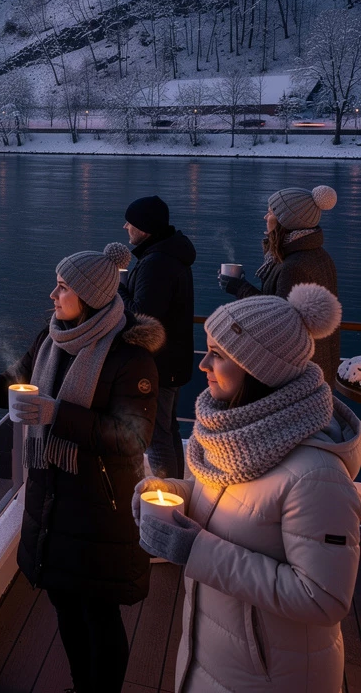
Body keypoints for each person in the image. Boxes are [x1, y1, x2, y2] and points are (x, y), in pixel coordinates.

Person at [0, 243, 161, 693]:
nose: (52, 296)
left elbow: (133, 437)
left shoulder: (130, 358)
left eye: (62, 288)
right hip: (52, 499)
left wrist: (58, 414)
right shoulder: (52, 338)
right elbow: (17, 386)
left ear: (91, 296)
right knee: (65, 603)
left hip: (101, 506)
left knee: (98, 611)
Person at [136, 284, 359, 693]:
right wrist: (172, 493)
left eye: (218, 354)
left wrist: (195, 551)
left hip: (273, 679)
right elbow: (232, 506)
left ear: (260, 370)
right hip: (212, 658)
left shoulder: (317, 474)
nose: (203, 364)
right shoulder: (232, 436)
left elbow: (325, 598)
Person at [219, 184, 339, 386]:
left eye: (271, 211)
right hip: (318, 365)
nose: (266, 217)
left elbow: (279, 323)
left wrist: (240, 288)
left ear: (286, 221)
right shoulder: (316, 255)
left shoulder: (294, 266)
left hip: (298, 374)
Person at [119, 195, 196, 479]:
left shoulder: (156, 262)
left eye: (131, 222)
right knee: (168, 428)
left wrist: (119, 288)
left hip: (159, 362)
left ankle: (169, 499)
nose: (126, 226)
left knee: (155, 434)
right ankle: (178, 490)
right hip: (174, 358)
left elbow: (142, 314)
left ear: (146, 228)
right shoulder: (170, 256)